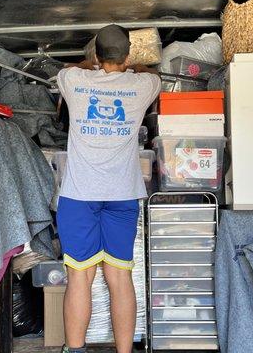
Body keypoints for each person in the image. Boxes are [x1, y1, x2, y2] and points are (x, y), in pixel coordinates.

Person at [56, 24, 161, 353]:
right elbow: (149, 71)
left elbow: (71, 68)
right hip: (122, 195)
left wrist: (94, 65)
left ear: (97, 55)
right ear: (127, 55)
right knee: (120, 277)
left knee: (79, 277)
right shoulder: (146, 85)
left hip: (79, 195)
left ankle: (75, 351)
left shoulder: (74, 81)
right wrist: (128, 66)